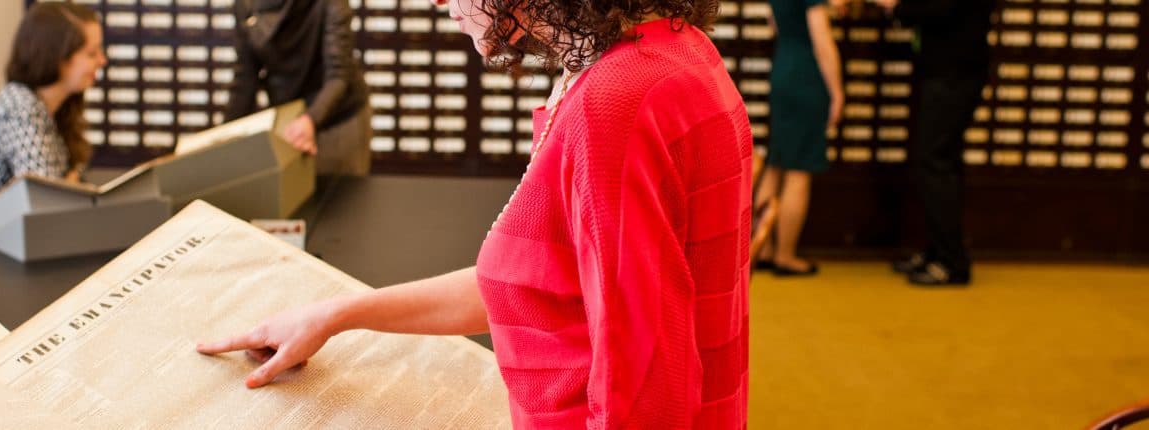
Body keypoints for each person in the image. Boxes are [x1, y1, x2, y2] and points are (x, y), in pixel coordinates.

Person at [198, 0, 752, 426]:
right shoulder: (670, 54)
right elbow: (542, 289)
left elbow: (649, 390)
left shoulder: (615, 104)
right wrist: (334, 315)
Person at [0, 3, 107, 250]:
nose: (102, 60)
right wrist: (68, 185)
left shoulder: (57, 103)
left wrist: (68, 185)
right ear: (57, 57)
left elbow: (63, 188)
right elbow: (47, 203)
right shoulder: (20, 109)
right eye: (91, 53)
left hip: (23, 235)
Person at [874, 0, 994, 286]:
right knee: (941, 162)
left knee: (934, 161)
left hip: (954, 72)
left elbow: (939, 8)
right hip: (944, 69)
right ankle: (937, 251)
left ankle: (951, 262)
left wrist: (897, 7)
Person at [227, 0, 373, 176]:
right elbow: (245, 79)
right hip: (289, 118)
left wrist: (310, 119)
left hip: (338, 118)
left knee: (341, 195)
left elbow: (338, 76)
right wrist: (223, 138)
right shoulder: (245, 5)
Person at [753, 0, 843, 277]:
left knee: (776, 162)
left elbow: (774, 21)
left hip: (785, 67)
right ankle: (785, 254)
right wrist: (837, 91)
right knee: (799, 169)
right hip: (806, 74)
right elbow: (822, 40)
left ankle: (762, 247)